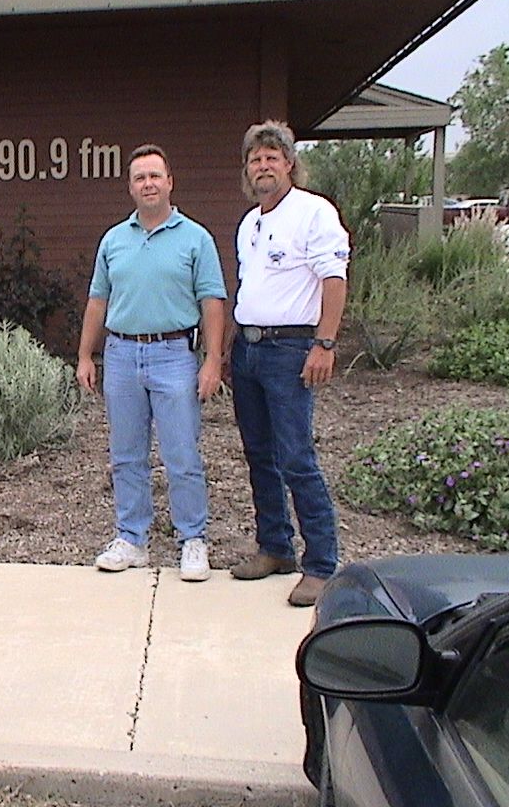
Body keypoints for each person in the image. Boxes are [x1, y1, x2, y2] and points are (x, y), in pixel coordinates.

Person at [76, 144, 226, 581]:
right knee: (126, 455)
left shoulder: (195, 238)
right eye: (140, 178)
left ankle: (192, 540)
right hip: (121, 355)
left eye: (155, 176)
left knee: (182, 454)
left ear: (169, 182)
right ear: (130, 187)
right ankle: (132, 538)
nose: (148, 184)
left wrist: (213, 360)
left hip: (174, 355)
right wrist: (85, 354)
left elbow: (212, 301)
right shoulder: (113, 240)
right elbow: (98, 301)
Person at [227, 120, 350, 607]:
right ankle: (275, 547)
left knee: (296, 457)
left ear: (290, 164)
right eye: (255, 159)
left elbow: (333, 279)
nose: (263, 166)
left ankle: (321, 564)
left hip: (291, 350)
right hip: (249, 348)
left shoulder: (313, 212)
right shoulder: (250, 223)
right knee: (259, 453)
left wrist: (325, 343)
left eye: (272, 158)